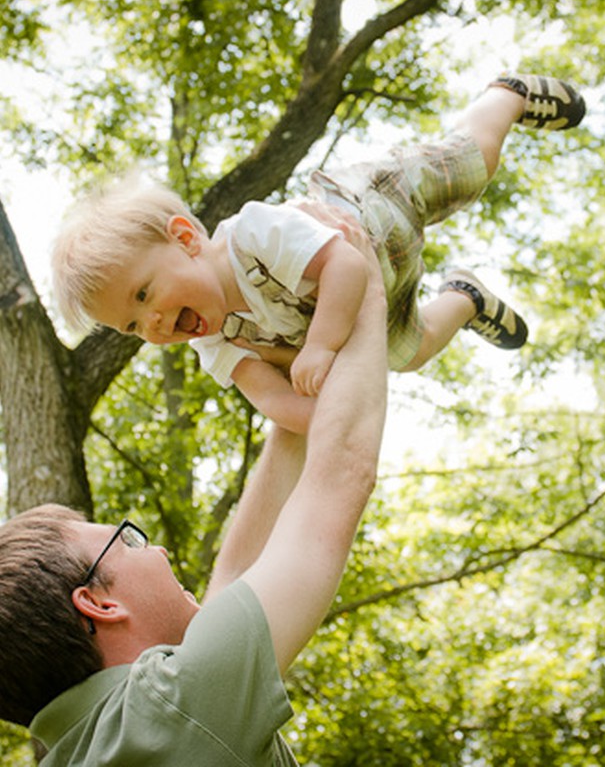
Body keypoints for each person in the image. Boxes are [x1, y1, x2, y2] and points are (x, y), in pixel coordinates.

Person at [0, 213, 388, 765]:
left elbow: (233, 584)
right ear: (97, 602)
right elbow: (341, 471)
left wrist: (288, 412)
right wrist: (366, 288)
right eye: (127, 542)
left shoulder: (104, 740)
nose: (155, 548)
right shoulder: (168, 710)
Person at [51, 72, 586, 434]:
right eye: (132, 326)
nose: (153, 322)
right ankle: (466, 298)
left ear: (187, 241)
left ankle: (506, 94)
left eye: (143, 294)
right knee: (409, 354)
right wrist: (325, 421)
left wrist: (321, 348)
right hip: (376, 299)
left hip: (374, 210)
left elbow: (345, 264)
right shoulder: (216, 342)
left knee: (469, 168)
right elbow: (274, 401)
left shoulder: (251, 236)